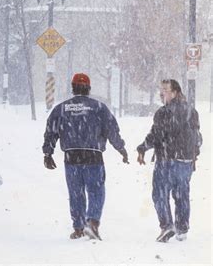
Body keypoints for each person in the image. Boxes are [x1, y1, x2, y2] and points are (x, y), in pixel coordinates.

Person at [42, 73, 129, 241]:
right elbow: (112, 130)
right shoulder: (99, 107)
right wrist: (121, 149)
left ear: (73, 88)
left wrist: (48, 153)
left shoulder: (62, 108)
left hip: (72, 157)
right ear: (88, 89)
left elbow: (50, 131)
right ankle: (93, 222)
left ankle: (78, 227)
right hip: (93, 156)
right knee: (96, 191)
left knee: (76, 193)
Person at [137, 79, 202, 243]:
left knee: (160, 194)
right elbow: (198, 137)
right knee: (182, 196)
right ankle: (182, 229)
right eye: (161, 89)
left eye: (165, 89)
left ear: (175, 93)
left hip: (167, 160)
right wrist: (194, 153)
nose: (161, 93)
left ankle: (167, 225)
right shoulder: (191, 111)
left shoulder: (163, 112)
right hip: (186, 161)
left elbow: (156, 135)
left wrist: (143, 148)